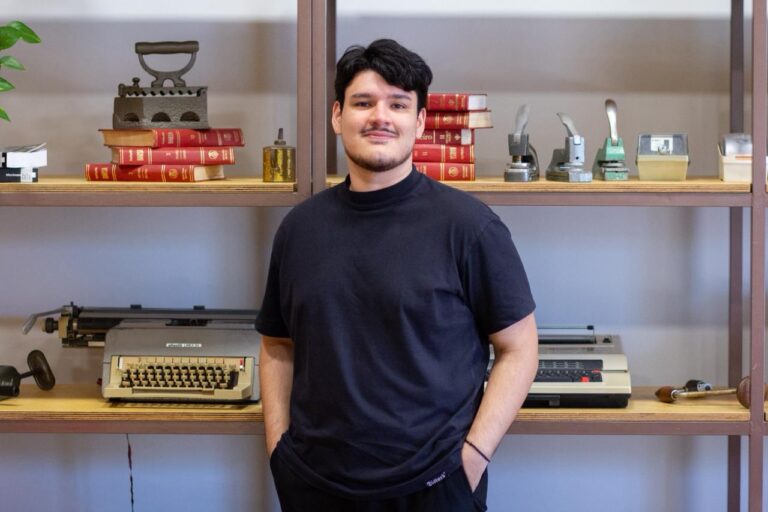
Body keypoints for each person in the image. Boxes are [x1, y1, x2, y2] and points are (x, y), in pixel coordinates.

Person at [256, 38, 538, 512]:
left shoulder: (470, 228)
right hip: (313, 486)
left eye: (398, 104)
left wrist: (471, 460)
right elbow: (277, 346)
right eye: (363, 102)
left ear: (420, 122)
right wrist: (278, 453)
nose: (380, 117)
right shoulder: (298, 230)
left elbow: (520, 348)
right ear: (337, 115)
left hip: (435, 487)